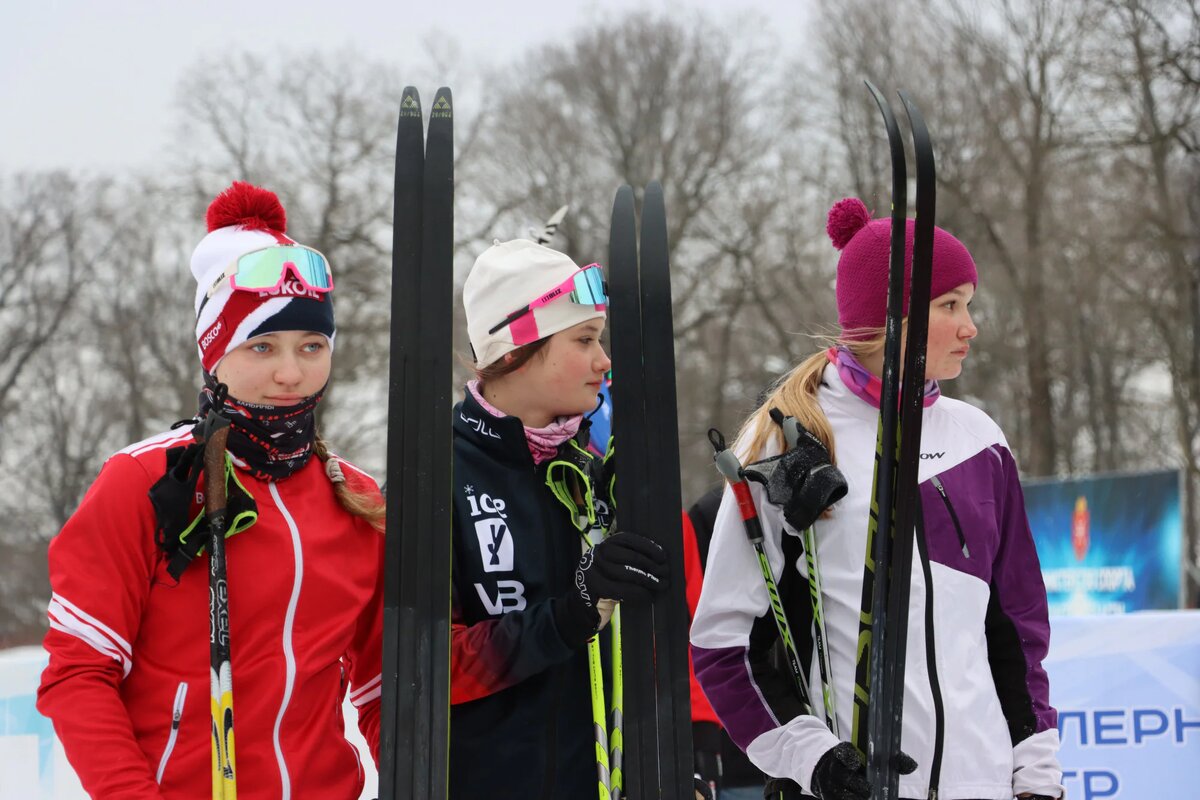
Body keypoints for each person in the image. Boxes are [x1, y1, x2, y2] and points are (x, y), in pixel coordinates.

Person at [690, 198, 1065, 800]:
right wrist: (812, 759)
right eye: (950, 305)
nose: (971, 325)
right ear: (893, 319)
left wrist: (1036, 770)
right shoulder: (788, 439)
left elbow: (1017, 627)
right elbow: (724, 646)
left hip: (984, 785)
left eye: (969, 303)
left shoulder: (980, 441)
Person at [37, 182, 386, 799]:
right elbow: (79, 675)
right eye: (261, 346)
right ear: (214, 354)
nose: (290, 372)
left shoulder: (355, 500)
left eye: (312, 347)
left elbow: (384, 688)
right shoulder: (144, 481)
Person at [449, 239, 672, 799]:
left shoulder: (591, 470)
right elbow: (428, 668)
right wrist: (569, 616)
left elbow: (651, 644)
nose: (605, 360)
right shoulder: (438, 474)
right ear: (516, 348)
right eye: (585, 340)